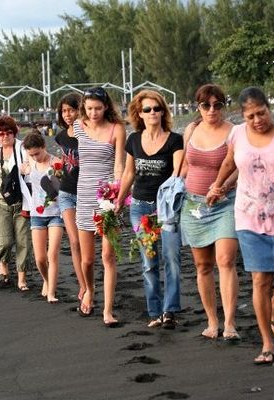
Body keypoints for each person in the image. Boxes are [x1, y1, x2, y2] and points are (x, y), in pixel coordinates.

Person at [207, 87, 274, 365]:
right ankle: (267, 344)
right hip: (248, 216)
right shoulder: (238, 134)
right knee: (260, 280)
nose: (257, 120)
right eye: (250, 115)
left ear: (269, 108)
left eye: (261, 113)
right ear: (243, 116)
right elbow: (230, 163)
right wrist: (218, 186)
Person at [117, 89, 184, 329]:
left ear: (163, 111)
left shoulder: (176, 139)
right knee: (149, 261)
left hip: (166, 208)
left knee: (172, 258)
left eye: (157, 108)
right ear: (139, 113)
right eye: (147, 109)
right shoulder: (134, 140)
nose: (153, 112)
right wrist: (118, 201)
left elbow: (178, 172)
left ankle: (170, 310)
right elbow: (129, 173)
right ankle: (154, 311)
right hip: (139, 206)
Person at [179, 84, 240, 340]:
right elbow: (184, 166)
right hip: (194, 206)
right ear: (198, 107)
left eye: (217, 105)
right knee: (202, 265)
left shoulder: (235, 132)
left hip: (226, 202)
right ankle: (212, 321)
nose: (212, 110)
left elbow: (239, 165)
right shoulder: (191, 130)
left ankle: (229, 323)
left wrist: (223, 186)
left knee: (225, 260)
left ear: (224, 106)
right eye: (206, 105)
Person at [74, 87, 126, 326]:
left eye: (98, 108)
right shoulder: (78, 127)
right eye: (89, 108)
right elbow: (64, 147)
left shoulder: (117, 129)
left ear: (106, 107)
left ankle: (108, 310)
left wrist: (117, 193)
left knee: (108, 255)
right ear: (84, 107)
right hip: (83, 196)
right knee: (87, 260)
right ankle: (89, 290)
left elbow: (119, 164)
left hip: (107, 195)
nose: (93, 113)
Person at [0, 116, 33, 291]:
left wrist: (27, 169)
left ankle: (21, 277)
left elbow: (29, 165)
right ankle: (3, 263)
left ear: (14, 132)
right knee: (4, 241)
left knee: (23, 241)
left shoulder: (21, 148)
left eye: (8, 133)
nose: (5, 137)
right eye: (1, 133)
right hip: (0, 203)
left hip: (22, 203)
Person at [22, 133, 64, 303]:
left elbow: (63, 187)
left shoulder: (56, 163)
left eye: (37, 153)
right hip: (37, 213)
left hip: (56, 212)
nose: (35, 157)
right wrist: (25, 167)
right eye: (31, 154)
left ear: (44, 148)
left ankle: (52, 292)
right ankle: (46, 280)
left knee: (52, 254)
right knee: (40, 258)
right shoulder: (29, 161)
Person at [54, 92, 87, 302]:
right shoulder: (60, 136)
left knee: (86, 244)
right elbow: (66, 163)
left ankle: (89, 280)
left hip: (86, 193)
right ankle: (83, 286)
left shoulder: (88, 133)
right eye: (64, 111)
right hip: (66, 192)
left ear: (79, 110)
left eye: (71, 109)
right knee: (74, 242)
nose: (68, 114)